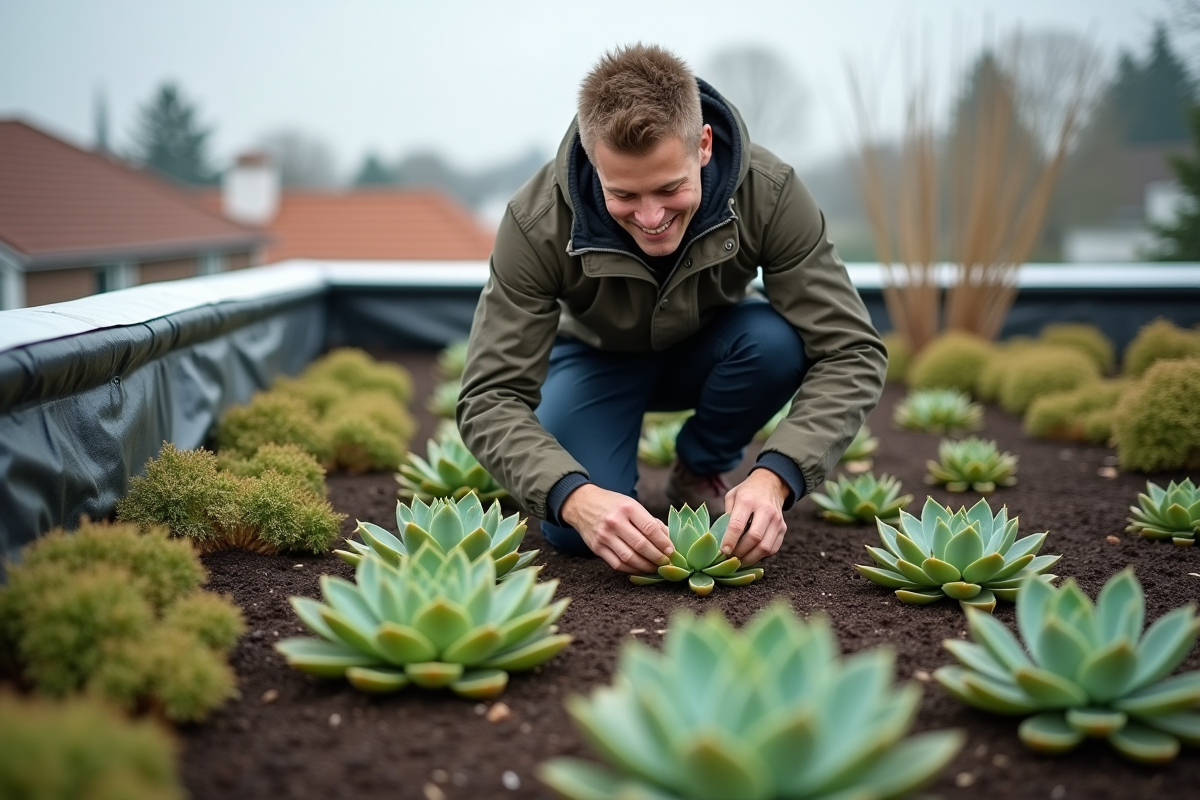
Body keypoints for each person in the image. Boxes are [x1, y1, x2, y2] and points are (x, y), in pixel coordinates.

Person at [457, 43, 886, 575]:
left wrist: (777, 475)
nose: (651, 216)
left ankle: (699, 468)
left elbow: (851, 351)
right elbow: (488, 396)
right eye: (624, 196)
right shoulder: (534, 221)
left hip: (713, 349)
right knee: (573, 533)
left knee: (774, 343)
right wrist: (575, 498)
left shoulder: (770, 193)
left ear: (703, 145)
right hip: (594, 360)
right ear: (593, 160)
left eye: (670, 188)